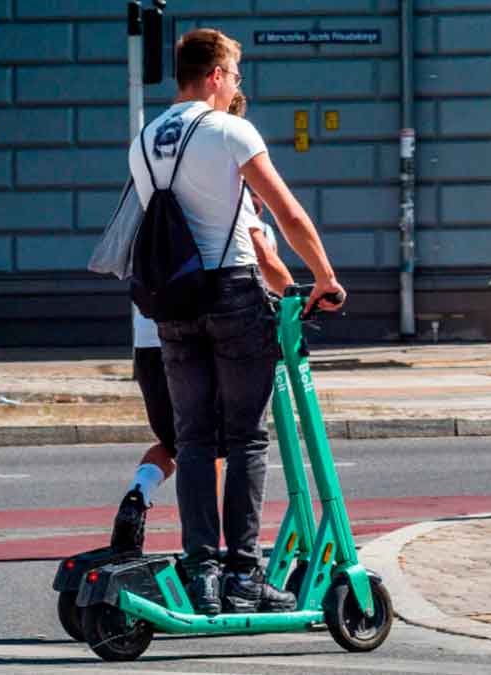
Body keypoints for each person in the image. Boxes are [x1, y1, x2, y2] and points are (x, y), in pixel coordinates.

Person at [127, 27, 344, 616]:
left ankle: (203, 575)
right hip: (233, 293)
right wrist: (324, 276)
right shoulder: (229, 130)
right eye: (235, 77)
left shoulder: (145, 138)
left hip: (174, 304)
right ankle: (245, 576)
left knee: (194, 438)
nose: (236, 87)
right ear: (217, 75)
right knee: (246, 438)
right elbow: (284, 211)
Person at [110, 92, 294, 556]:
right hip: (220, 312)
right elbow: (266, 253)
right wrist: (300, 294)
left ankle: (144, 499)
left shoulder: (155, 186)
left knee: (181, 440)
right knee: (236, 440)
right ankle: (227, 559)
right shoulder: (230, 202)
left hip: (154, 334)